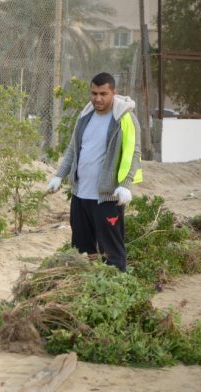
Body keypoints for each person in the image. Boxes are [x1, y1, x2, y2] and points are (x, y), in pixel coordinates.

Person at [45, 72, 142, 272]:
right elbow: (74, 148)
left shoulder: (125, 119)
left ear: (113, 92)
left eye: (103, 94)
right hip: (80, 196)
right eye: (94, 93)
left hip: (107, 197)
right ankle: (86, 292)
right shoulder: (85, 116)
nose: (98, 98)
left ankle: (115, 290)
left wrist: (125, 186)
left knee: (111, 253)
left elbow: (134, 153)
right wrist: (59, 175)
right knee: (81, 251)